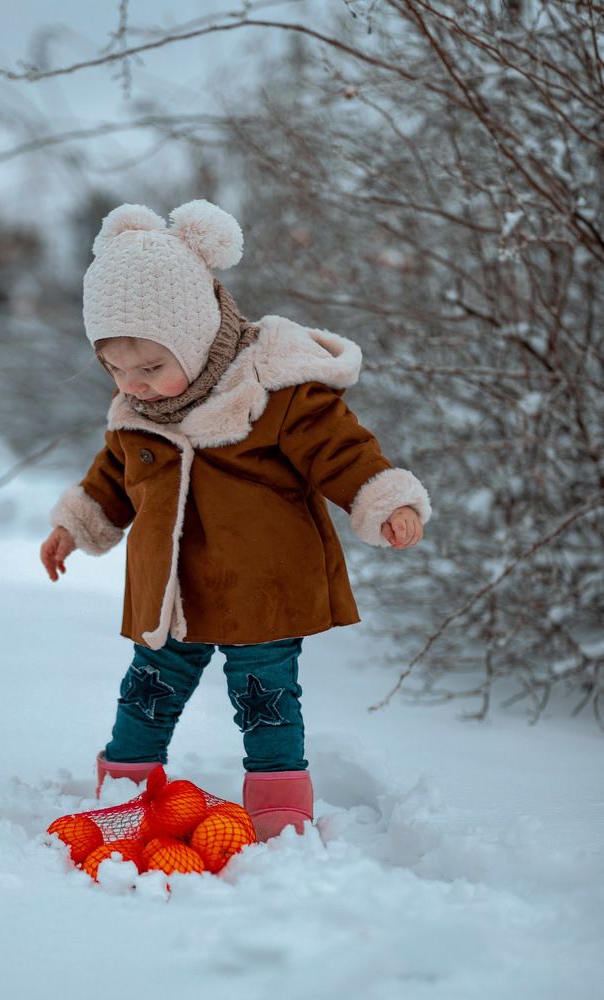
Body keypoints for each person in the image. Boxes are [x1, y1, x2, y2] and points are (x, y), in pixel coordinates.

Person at [40, 200, 431, 841]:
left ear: (194, 336)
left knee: (265, 697)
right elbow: (112, 478)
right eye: (115, 369)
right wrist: (75, 527)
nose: (132, 384)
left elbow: (340, 449)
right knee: (147, 690)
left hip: (263, 587)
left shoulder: (275, 391)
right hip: (172, 596)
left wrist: (387, 502)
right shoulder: (139, 413)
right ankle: (128, 789)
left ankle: (278, 806)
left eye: (150, 367)